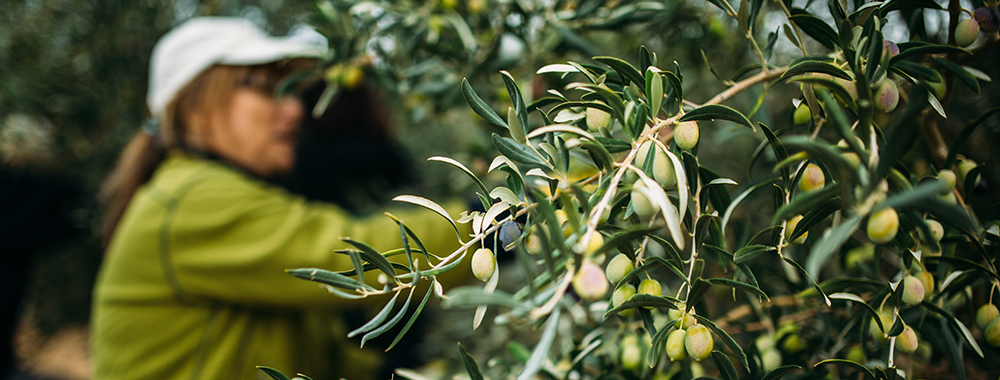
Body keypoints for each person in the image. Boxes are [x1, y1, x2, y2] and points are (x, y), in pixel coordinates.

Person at [92, 17, 465, 380]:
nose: (295, 111)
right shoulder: (191, 197)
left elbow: (313, 355)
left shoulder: (202, 194)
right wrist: (483, 224)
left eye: (291, 92)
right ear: (194, 105)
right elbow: (348, 252)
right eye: (266, 89)